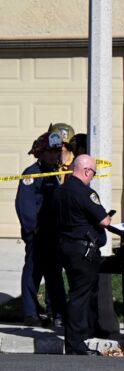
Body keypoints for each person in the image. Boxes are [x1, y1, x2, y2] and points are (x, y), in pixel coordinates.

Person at [54, 155, 111, 355]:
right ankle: (76, 343)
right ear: (87, 171)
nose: (92, 178)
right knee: (80, 296)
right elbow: (104, 221)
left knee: (76, 293)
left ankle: (79, 336)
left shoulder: (60, 191)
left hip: (65, 248)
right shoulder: (85, 192)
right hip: (83, 251)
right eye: (93, 174)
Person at [15, 131, 67, 327]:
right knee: (33, 272)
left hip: (53, 234)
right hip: (37, 234)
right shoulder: (31, 174)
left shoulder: (52, 174)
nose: (56, 156)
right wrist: (33, 230)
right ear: (41, 153)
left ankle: (57, 312)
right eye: (52, 152)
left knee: (54, 274)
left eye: (57, 152)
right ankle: (30, 313)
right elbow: (24, 205)